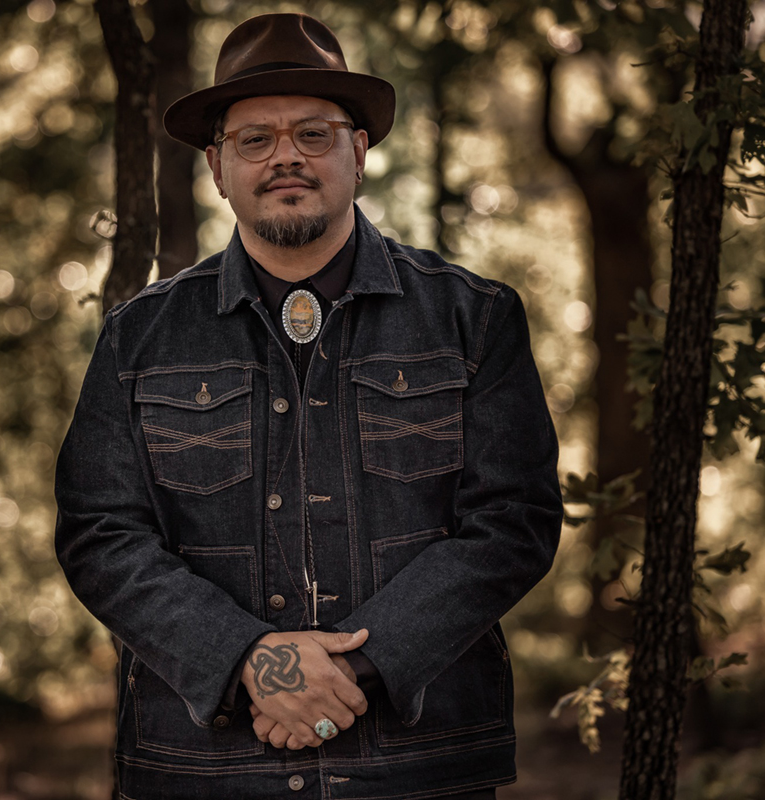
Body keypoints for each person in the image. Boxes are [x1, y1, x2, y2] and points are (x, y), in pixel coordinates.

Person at [54, 13, 562, 799]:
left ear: (359, 154)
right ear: (218, 168)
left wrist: (347, 670)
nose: (285, 155)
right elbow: (100, 534)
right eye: (255, 138)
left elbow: (513, 523)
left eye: (313, 134)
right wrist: (249, 661)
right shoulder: (139, 338)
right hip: (205, 773)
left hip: (418, 770)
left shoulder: (474, 319)